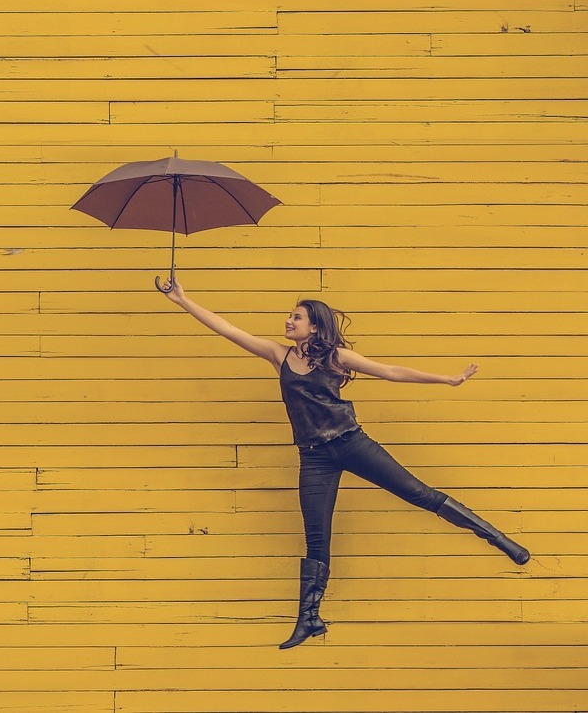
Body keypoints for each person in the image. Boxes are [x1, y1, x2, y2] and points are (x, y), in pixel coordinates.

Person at [157, 277, 530, 650]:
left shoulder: (335, 356)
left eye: (296, 317)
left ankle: (499, 539)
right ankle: (309, 619)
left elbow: (390, 371)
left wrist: (447, 379)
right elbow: (228, 329)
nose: (288, 321)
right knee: (316, 538)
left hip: (351, 443)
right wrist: (182, 300)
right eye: (290, 316)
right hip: (314, 457)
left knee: (420, 494)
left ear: (314, 326)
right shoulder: (278, 355)